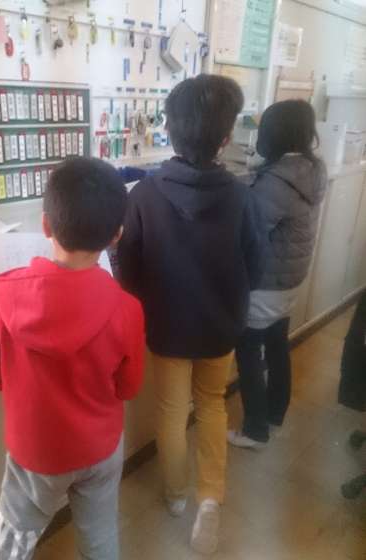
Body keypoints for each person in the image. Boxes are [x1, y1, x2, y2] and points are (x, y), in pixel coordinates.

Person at [117, 74, 262, 555]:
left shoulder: (143, 195)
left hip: (167, 328)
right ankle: (210, 498)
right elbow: (257, 265)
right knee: (213, 404)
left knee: (171, 410)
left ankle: (176, 494)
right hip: (221, 326)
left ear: (170, 130)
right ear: (226, 136)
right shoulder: (242, 195)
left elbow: (128, 271)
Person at [0, 157, 145, 560]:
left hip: (35, 454)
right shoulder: (128, 309)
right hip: (100, 447)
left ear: (46, 225)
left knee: (11, 543)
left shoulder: (2, 293)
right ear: (116, 236)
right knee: (100, 538)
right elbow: (129, 387)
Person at [228, 100, 328, 450]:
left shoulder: (276, 183)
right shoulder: (310, 169)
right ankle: (275, 411)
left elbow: (250, 233)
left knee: (248, 349)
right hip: (290, 278)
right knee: (276, 342)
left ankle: (255, 430)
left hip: (267, 283)